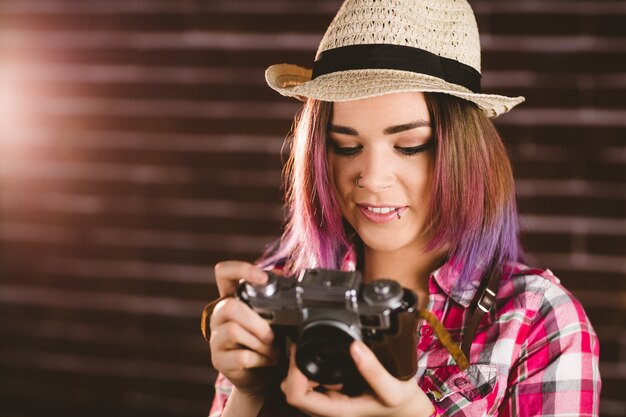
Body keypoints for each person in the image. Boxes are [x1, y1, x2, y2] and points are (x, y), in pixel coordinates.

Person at [205, 1, 601, 416]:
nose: (372, 178)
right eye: (347, 147)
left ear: (464, 151)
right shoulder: (286, 290)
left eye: (409, 146)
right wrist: (248, 394)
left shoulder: (536, 322)